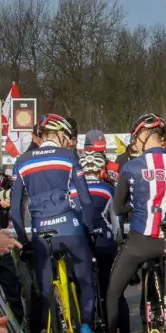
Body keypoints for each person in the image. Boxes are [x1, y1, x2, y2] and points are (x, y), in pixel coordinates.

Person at [105, 114, 166, 332]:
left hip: (140, 242)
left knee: (113, 293)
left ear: (144, 135)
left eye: (135, 139)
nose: (134, 144)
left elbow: (118, 208)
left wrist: (136, 205)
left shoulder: (131, 167)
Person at [10, 114, 96, 333]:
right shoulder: (68, 156)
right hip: (70, 228)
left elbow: (15, 209)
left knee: (44, 291)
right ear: (59, 134)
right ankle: (86, 325)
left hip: (41, 232)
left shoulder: (22, 161)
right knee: (86, 279)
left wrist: (23, 239)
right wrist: (90, 226)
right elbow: (85, 200)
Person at [74, 151, 129, 332]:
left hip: (81, 243)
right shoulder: (108, 189)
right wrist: (119, 242)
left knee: (81, 286)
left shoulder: (73, 189)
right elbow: (117, 224)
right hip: (104, 242)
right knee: (114, 290)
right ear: (101, 171)